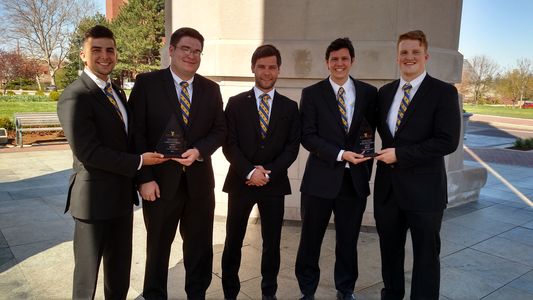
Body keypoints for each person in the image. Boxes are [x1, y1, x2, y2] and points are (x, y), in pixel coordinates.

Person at [57, 25, 167, 299]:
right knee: (86, 279)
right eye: (96, 50)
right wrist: (139, 162)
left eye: (110, 50)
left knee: (119, 274)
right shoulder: (75, 95)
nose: (105, 56)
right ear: (83, 55)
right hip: (93, 202)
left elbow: (127, 137)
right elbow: (89, 153)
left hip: (120, 199)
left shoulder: (115, 91)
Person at [128, 27, 226, 300]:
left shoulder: (211, 89)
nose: (191, 55)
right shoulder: (147, 84)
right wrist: (144, 178)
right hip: (159, 185)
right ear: (171, 50)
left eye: (197, 51)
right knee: (158, 249)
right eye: (185, 48)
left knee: (199, 249)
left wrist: (200, 150)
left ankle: (197, 295)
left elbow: (220, 130)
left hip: (199, 185)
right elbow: (136, 133)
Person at [374, 30, 461, 299]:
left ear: (426, 56)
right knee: (390, 253)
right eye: (403, 52)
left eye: (414, 52)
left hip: (425, 193)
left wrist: (400, 154)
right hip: (388, 191)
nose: (408, 57)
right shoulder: (385, 93)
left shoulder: (444, 92)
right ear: (397, 57)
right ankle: (392, 294)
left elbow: (447, 141)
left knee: (425, 256)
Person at [295, 37, 377, 300]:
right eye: (334, 59)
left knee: (348, 241)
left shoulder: (368, 93)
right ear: (327, 62)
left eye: (344, 59)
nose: (339, 64)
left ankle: (345, 289)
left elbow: (374, 132)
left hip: (354, 182)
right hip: (319, 180)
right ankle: (307, 290)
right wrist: (341, 154)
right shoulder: (312, 93)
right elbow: (307, 136)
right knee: (310, 240)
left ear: (352, 61)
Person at [221, 45, 300, 300]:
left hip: (273, 184)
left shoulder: (289, 107)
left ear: (279, 69)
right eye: (262, 66)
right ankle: (230, 292)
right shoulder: (235, 104)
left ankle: (269, 293)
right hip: (240, 183)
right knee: (233, 242)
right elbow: (229, 144)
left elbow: (292, 147)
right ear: (253, 67)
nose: (267, 72)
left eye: (272, 67)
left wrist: (269, 172)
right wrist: (248, 171)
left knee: (272, 244)